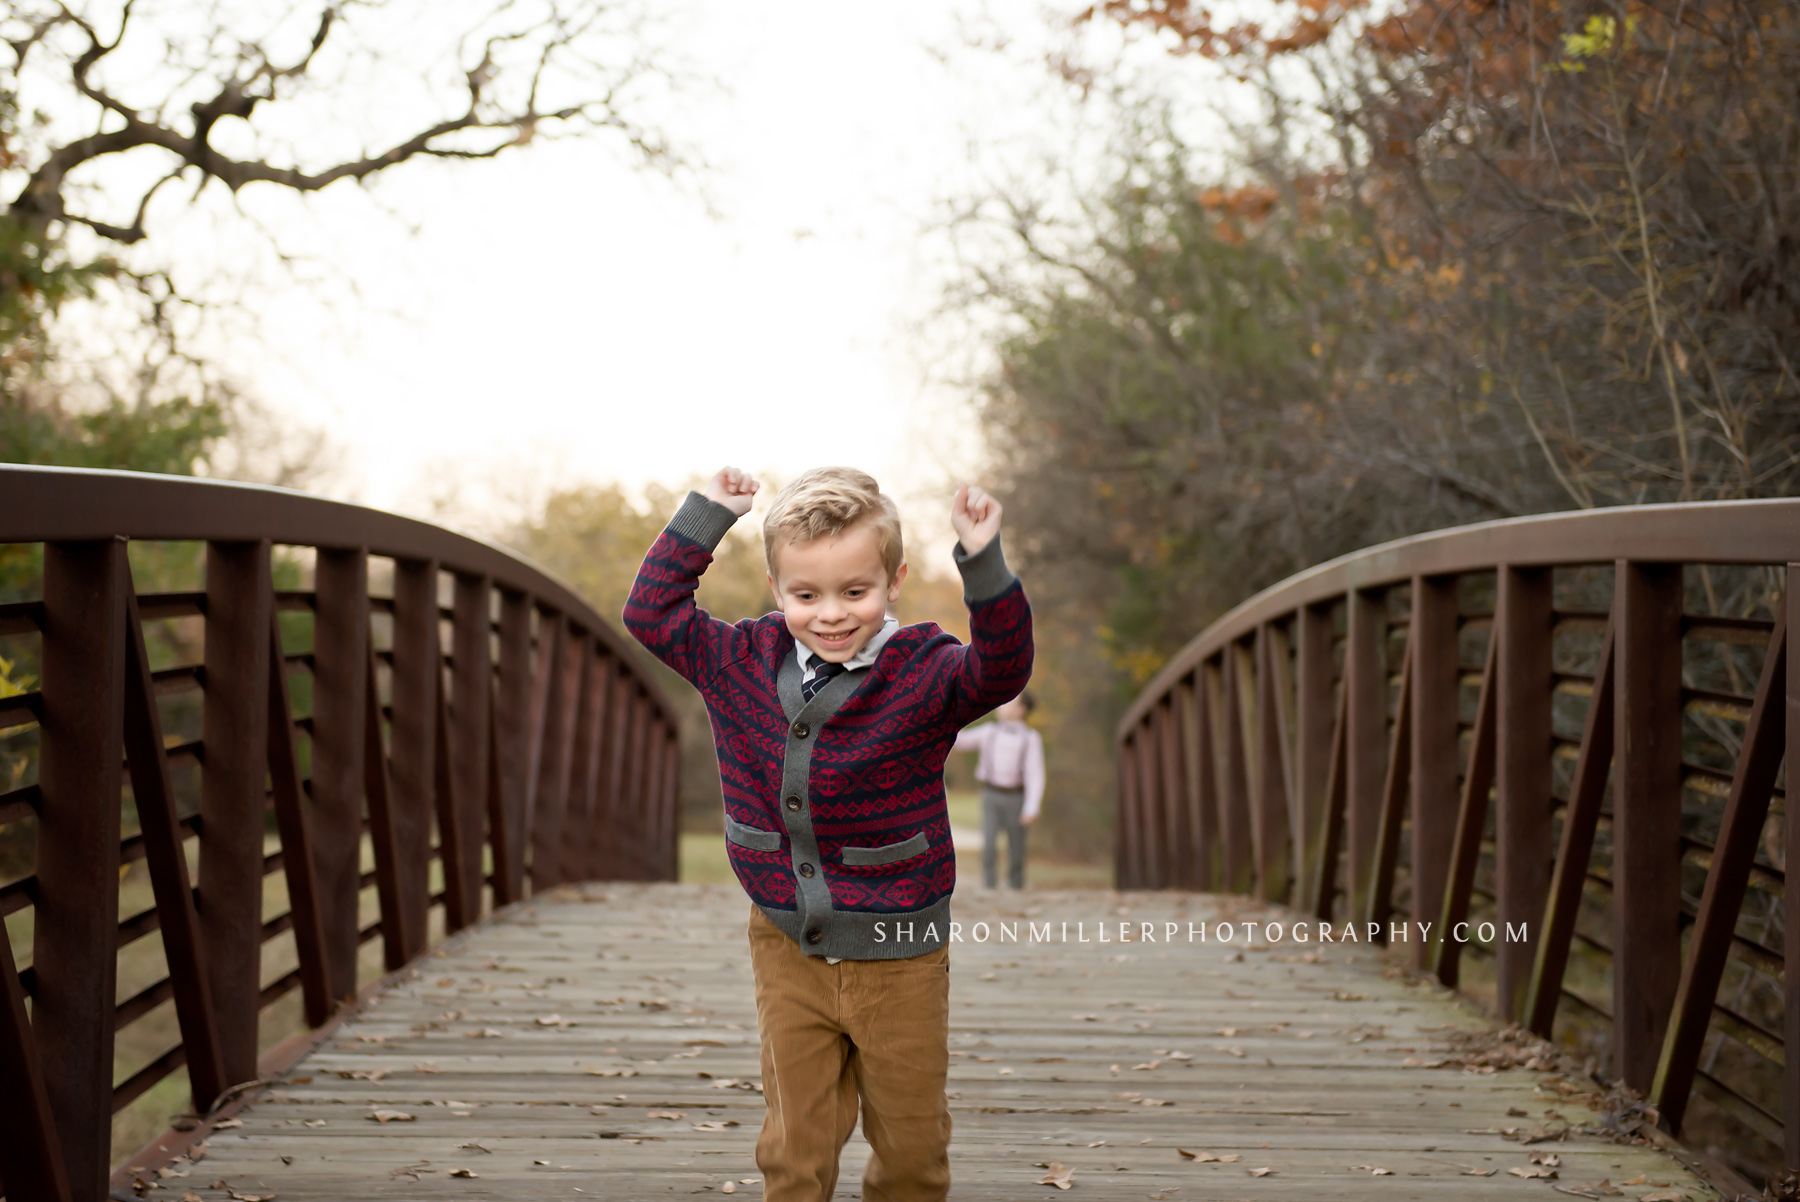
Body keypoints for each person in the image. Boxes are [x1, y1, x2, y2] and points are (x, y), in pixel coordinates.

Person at [623, 464, 1033, 1202]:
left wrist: (983, 558)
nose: (832, 614)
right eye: (806, 595)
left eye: (855, 591)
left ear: (895, 579)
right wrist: (709, 515)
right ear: (778, 590)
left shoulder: (926, 674)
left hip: (899, 951)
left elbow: (1003, 668)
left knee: (911, 1152)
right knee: (794, 1150)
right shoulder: (737, 661)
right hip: (785, 942)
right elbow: (651, 615)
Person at [951, 691, 1044, 890]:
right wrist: (946, 724)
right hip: (990, 794)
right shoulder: (988, 732)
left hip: (1016, 796)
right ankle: (989, 885)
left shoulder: (1030, 738)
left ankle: (1016, 886)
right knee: (989, 843)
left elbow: (1035, 774)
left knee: (1016, 845)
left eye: (1009, 703)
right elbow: (961, 741)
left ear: (1021, 710)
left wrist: (1031, 807)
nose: (1001, 706)